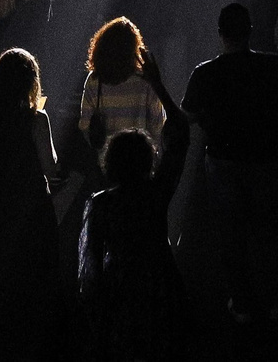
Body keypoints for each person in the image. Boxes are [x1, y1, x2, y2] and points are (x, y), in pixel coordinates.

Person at [179, 3, 278, 324]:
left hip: (223, 161)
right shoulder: (274, 66)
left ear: (220, 34)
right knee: (269, 231)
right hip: (266, 159)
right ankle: (277, 299)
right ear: (250, 30)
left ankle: (242, 303)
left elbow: (186, 116)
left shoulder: (205, 72)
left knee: (231, 235)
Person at [75, 59, 193, 362]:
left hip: (120, 289)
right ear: (147, 159)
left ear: (111, 162)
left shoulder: (100, 203)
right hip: (159, 283)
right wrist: (158, 86)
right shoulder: (156, 193)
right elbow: (180, 133)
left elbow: (91, 268)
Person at [0, 48, 66, 361]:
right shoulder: (36, 119)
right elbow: (50, 168)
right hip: (34, 206)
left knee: (0, 276)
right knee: (38, 276)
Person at [78, 16, 168, 160]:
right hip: (140, 160)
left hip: (108, 162)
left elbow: (85, 125)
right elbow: (158, 124)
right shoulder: (145, 80)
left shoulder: (95, 80)